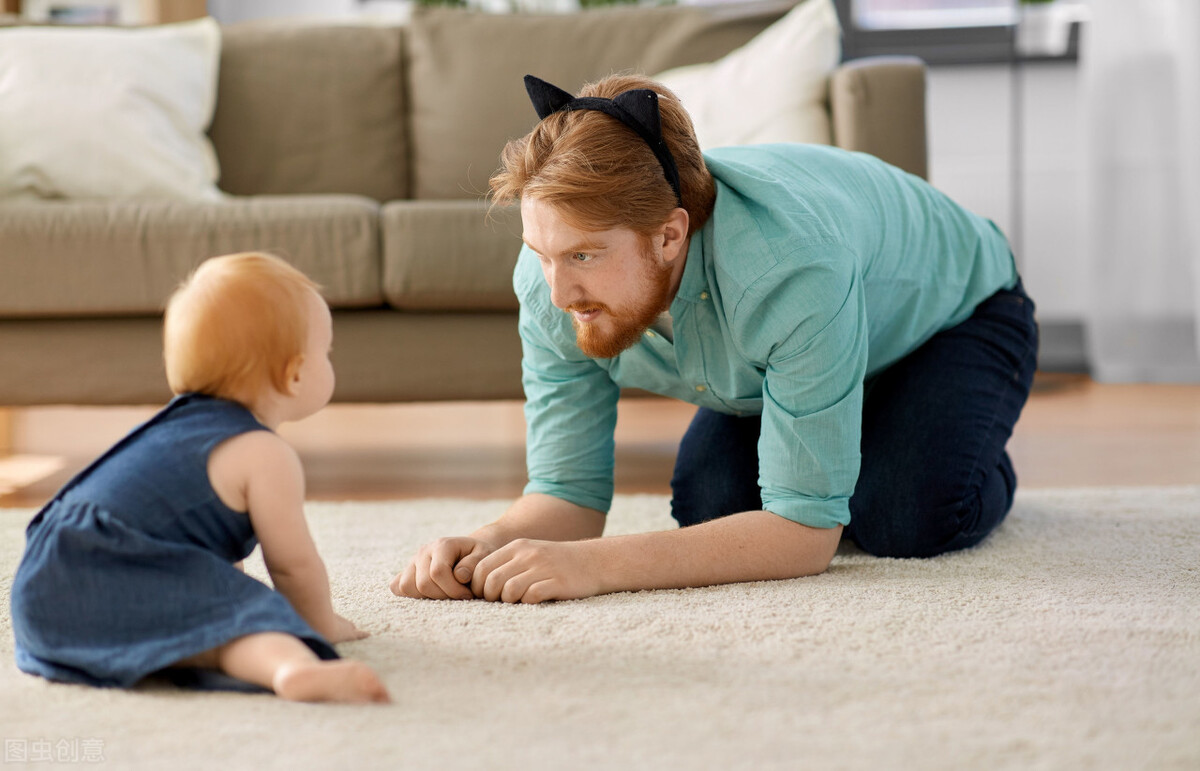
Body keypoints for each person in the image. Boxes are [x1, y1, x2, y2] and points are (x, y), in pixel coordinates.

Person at [391, 72, 1038, 605]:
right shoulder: (550, 286)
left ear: (670, 236)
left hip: (960, 317)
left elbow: (807, 535)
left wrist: (592, 568)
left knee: (903, 514)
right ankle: (847, 431)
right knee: (712, 504)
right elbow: (566, 496)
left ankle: (966, 450)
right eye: (541, 253)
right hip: (804, 343)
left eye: (584, 256)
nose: (559, 294)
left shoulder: (789, 270)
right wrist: (487, 542)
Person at [11, 252, 390, 704]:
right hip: (112, 571)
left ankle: (161, 644)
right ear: (293, 374)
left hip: (43, 594)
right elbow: (294, 566)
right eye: (325, 353)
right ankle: (291, 667)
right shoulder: (265, 454)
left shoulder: (172, 430)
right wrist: (322, 626)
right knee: (243, 620)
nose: (330, 362)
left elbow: (203, 551)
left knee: (210, 605)